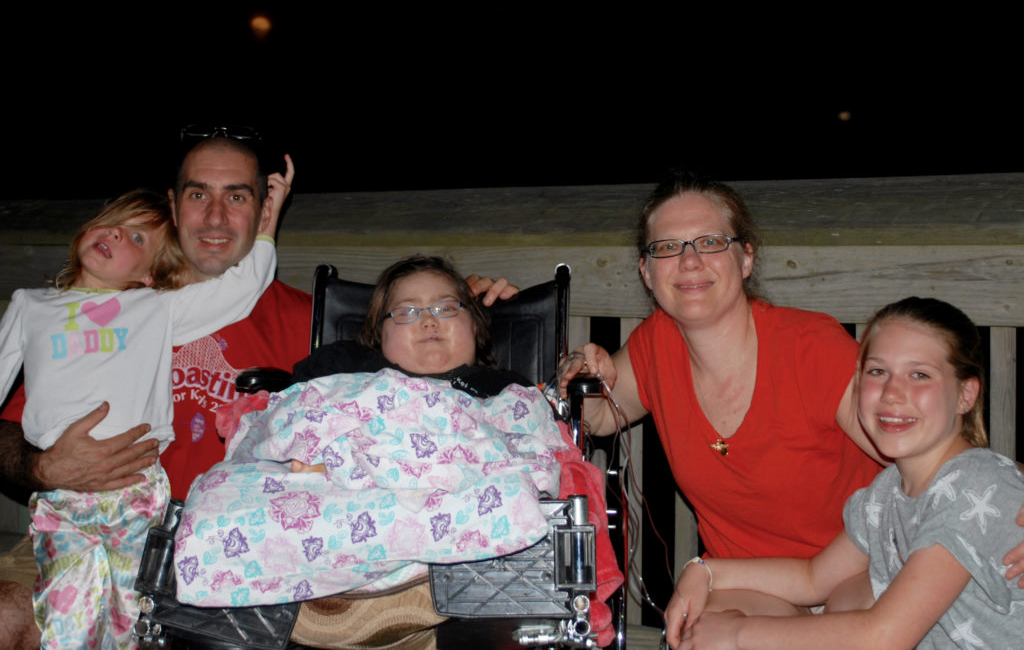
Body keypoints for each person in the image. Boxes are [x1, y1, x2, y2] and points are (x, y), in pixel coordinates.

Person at [0, 133, 517, 649]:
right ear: (174, 206)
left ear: (265, 209)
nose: (216, 216)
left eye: (237, 196)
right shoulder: (107, 314)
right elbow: (7, 434)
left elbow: (411, 383)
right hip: (90, 532)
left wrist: (466, 308)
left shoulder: (312, 323)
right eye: (199, 194)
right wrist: (44, 468)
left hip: (247, 557)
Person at [557, 172, 1024, 614]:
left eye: (711, 242)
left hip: (856, 572)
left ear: (746, 258)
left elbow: (934, 450)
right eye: (667, 247)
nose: (689, 261)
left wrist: (1014, 493)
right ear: (646, 271)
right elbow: (598, 417)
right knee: (705, 632)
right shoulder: (655, 345)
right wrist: (578, 370)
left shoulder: (809, 348)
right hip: (751, 582)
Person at [173, 256, 620, 646]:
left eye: (446, 308)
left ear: (475, 327)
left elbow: (534, 446)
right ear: (378, 336)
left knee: (521, 495)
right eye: (406, 312)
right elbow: (290, 416)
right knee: (217, 492)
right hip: (333, 498)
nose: (429, 321)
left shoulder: (503, 389)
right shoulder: (344, 366)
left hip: (450, 523)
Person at [0, 183, 286, 648]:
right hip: (62, 497)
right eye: (113, 223)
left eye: (137, 238)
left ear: (151, 274)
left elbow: (241, 288)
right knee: (67, 617)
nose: (116, 234)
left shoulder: (153, 308)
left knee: (132, 619)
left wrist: (267, 227)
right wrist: (43, 467)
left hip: (135, 488)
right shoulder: (30, 305)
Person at [670, 297, 1024, 649]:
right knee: (842, 597)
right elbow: (812, 578)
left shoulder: (975, 485)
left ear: (965, 395)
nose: (892, 393)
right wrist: (705, 571)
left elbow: (883, 637)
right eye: (877, 371)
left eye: (919, 375)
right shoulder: (888, 492)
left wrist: (737, 633)